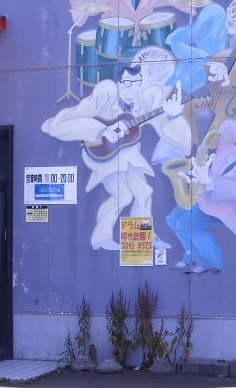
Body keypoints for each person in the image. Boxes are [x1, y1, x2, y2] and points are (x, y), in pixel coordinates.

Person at [42, 61, 189, 250]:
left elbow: (164, 124)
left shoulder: (143, 103)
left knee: (143, 193)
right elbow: (76, 116)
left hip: (130, 156)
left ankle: (143, 238)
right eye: (128, 82)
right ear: (119, 83)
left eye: (136, 83)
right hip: (103, 153)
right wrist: (101, 132)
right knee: (123, 195)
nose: (132, 87)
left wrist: (173, 114)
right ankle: (100, 239)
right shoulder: (105, 97)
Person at [165, 118, 236, 272]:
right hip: (206, 197)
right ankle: (191, 255)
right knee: (172, 219)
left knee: (186, 224)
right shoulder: (234, 153)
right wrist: (200, 175)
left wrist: (212, 182)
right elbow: (216, 173)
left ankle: (212, 261)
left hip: (224, 206)